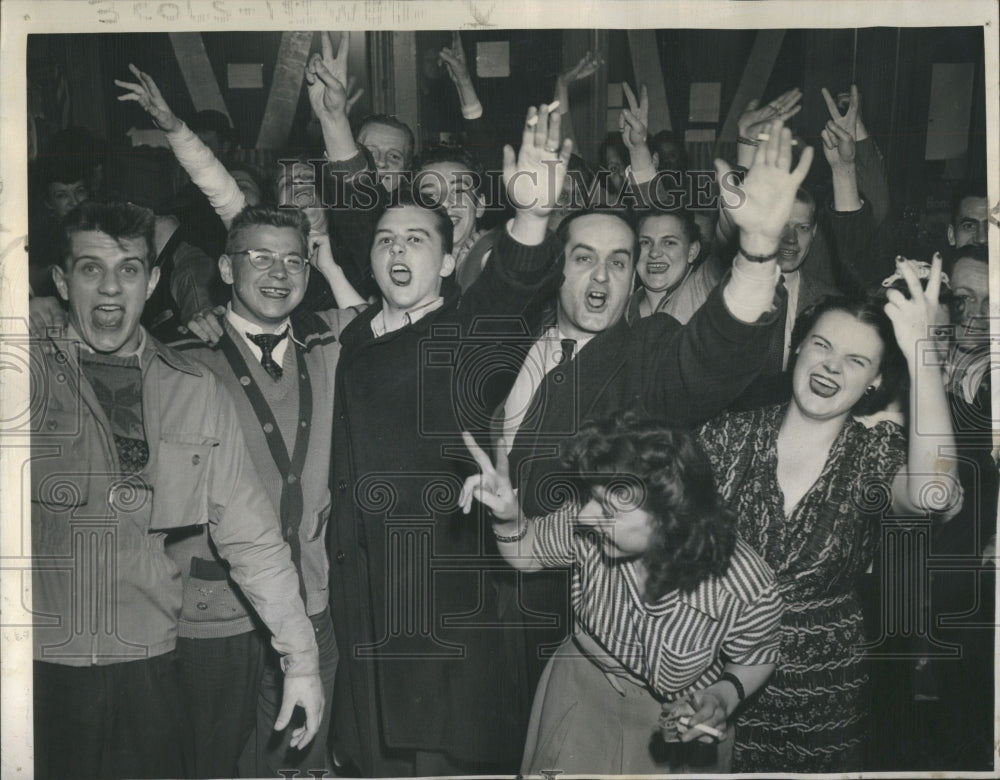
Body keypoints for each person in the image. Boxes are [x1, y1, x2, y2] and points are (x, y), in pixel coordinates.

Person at [29, 200, 323, 780]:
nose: (111, 289)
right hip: (39, 665)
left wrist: (302, 659)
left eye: (130, 269)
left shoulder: (193, 388)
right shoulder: (26, 372)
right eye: (91, 269)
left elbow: (255, 539)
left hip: (152, 664)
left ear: (154, 280)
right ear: (62, 281)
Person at [696, 256, 962, 772]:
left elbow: (933, 491)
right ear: (797, 347)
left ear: (873, 382)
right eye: (821, 345)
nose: (832, 366)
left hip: (823, 686)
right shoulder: (726, 435)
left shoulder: (874, 453)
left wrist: (922, 353)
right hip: (714, 666)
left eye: (856, 361)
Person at [458, 414, 784, 774]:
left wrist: (722, 696)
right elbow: (529, 552)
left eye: (607, 510)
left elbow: (755, 654)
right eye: (592, 498)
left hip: (679, 724)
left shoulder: (745, 582)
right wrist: (508, 518)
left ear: (667, 520)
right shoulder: (588, 531)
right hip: (582, 691)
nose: (584, 516)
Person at [165, 205, 363, 777]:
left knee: (301, 763)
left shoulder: (329, 345)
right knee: (211, 763)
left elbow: (411, 308)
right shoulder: (182, 357)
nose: (278, 272)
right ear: (226, 269)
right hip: (213, 612)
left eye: (293, 260)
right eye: (259, 257)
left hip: (311, 600)